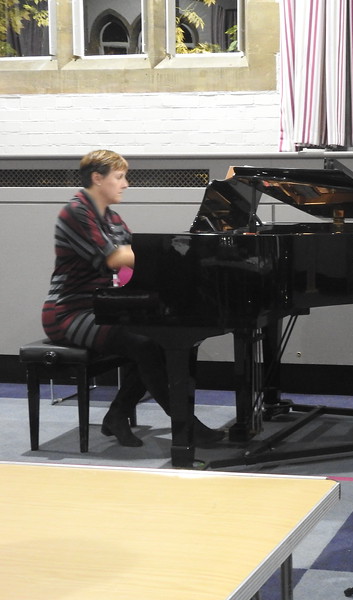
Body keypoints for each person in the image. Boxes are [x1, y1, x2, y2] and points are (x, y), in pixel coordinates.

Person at [41, 149, 224, 448]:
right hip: (68, 313)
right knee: (146, 344)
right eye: (120, 177)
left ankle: (117, 414)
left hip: (102, 306)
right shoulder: (75, 212)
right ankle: (185, 426)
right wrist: (175, 252)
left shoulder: (111, 217)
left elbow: (136, 258)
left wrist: (175, 256)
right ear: (98, 178)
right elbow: (116, 258)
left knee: (161, 340)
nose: (125, 184)